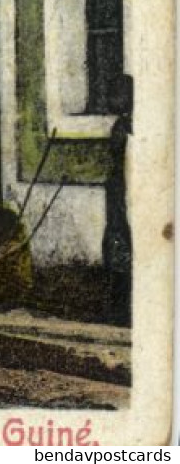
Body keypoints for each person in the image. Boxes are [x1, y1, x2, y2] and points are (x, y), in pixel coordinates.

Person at [103, 74, 133, 324]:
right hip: (117, 190)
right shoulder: (122, 125)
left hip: (124, 192)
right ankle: (117, 308)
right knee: (115, 244)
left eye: (115, 95)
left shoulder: (126, 127)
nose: (110, 100)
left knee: (120, 245)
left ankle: (121, 310)